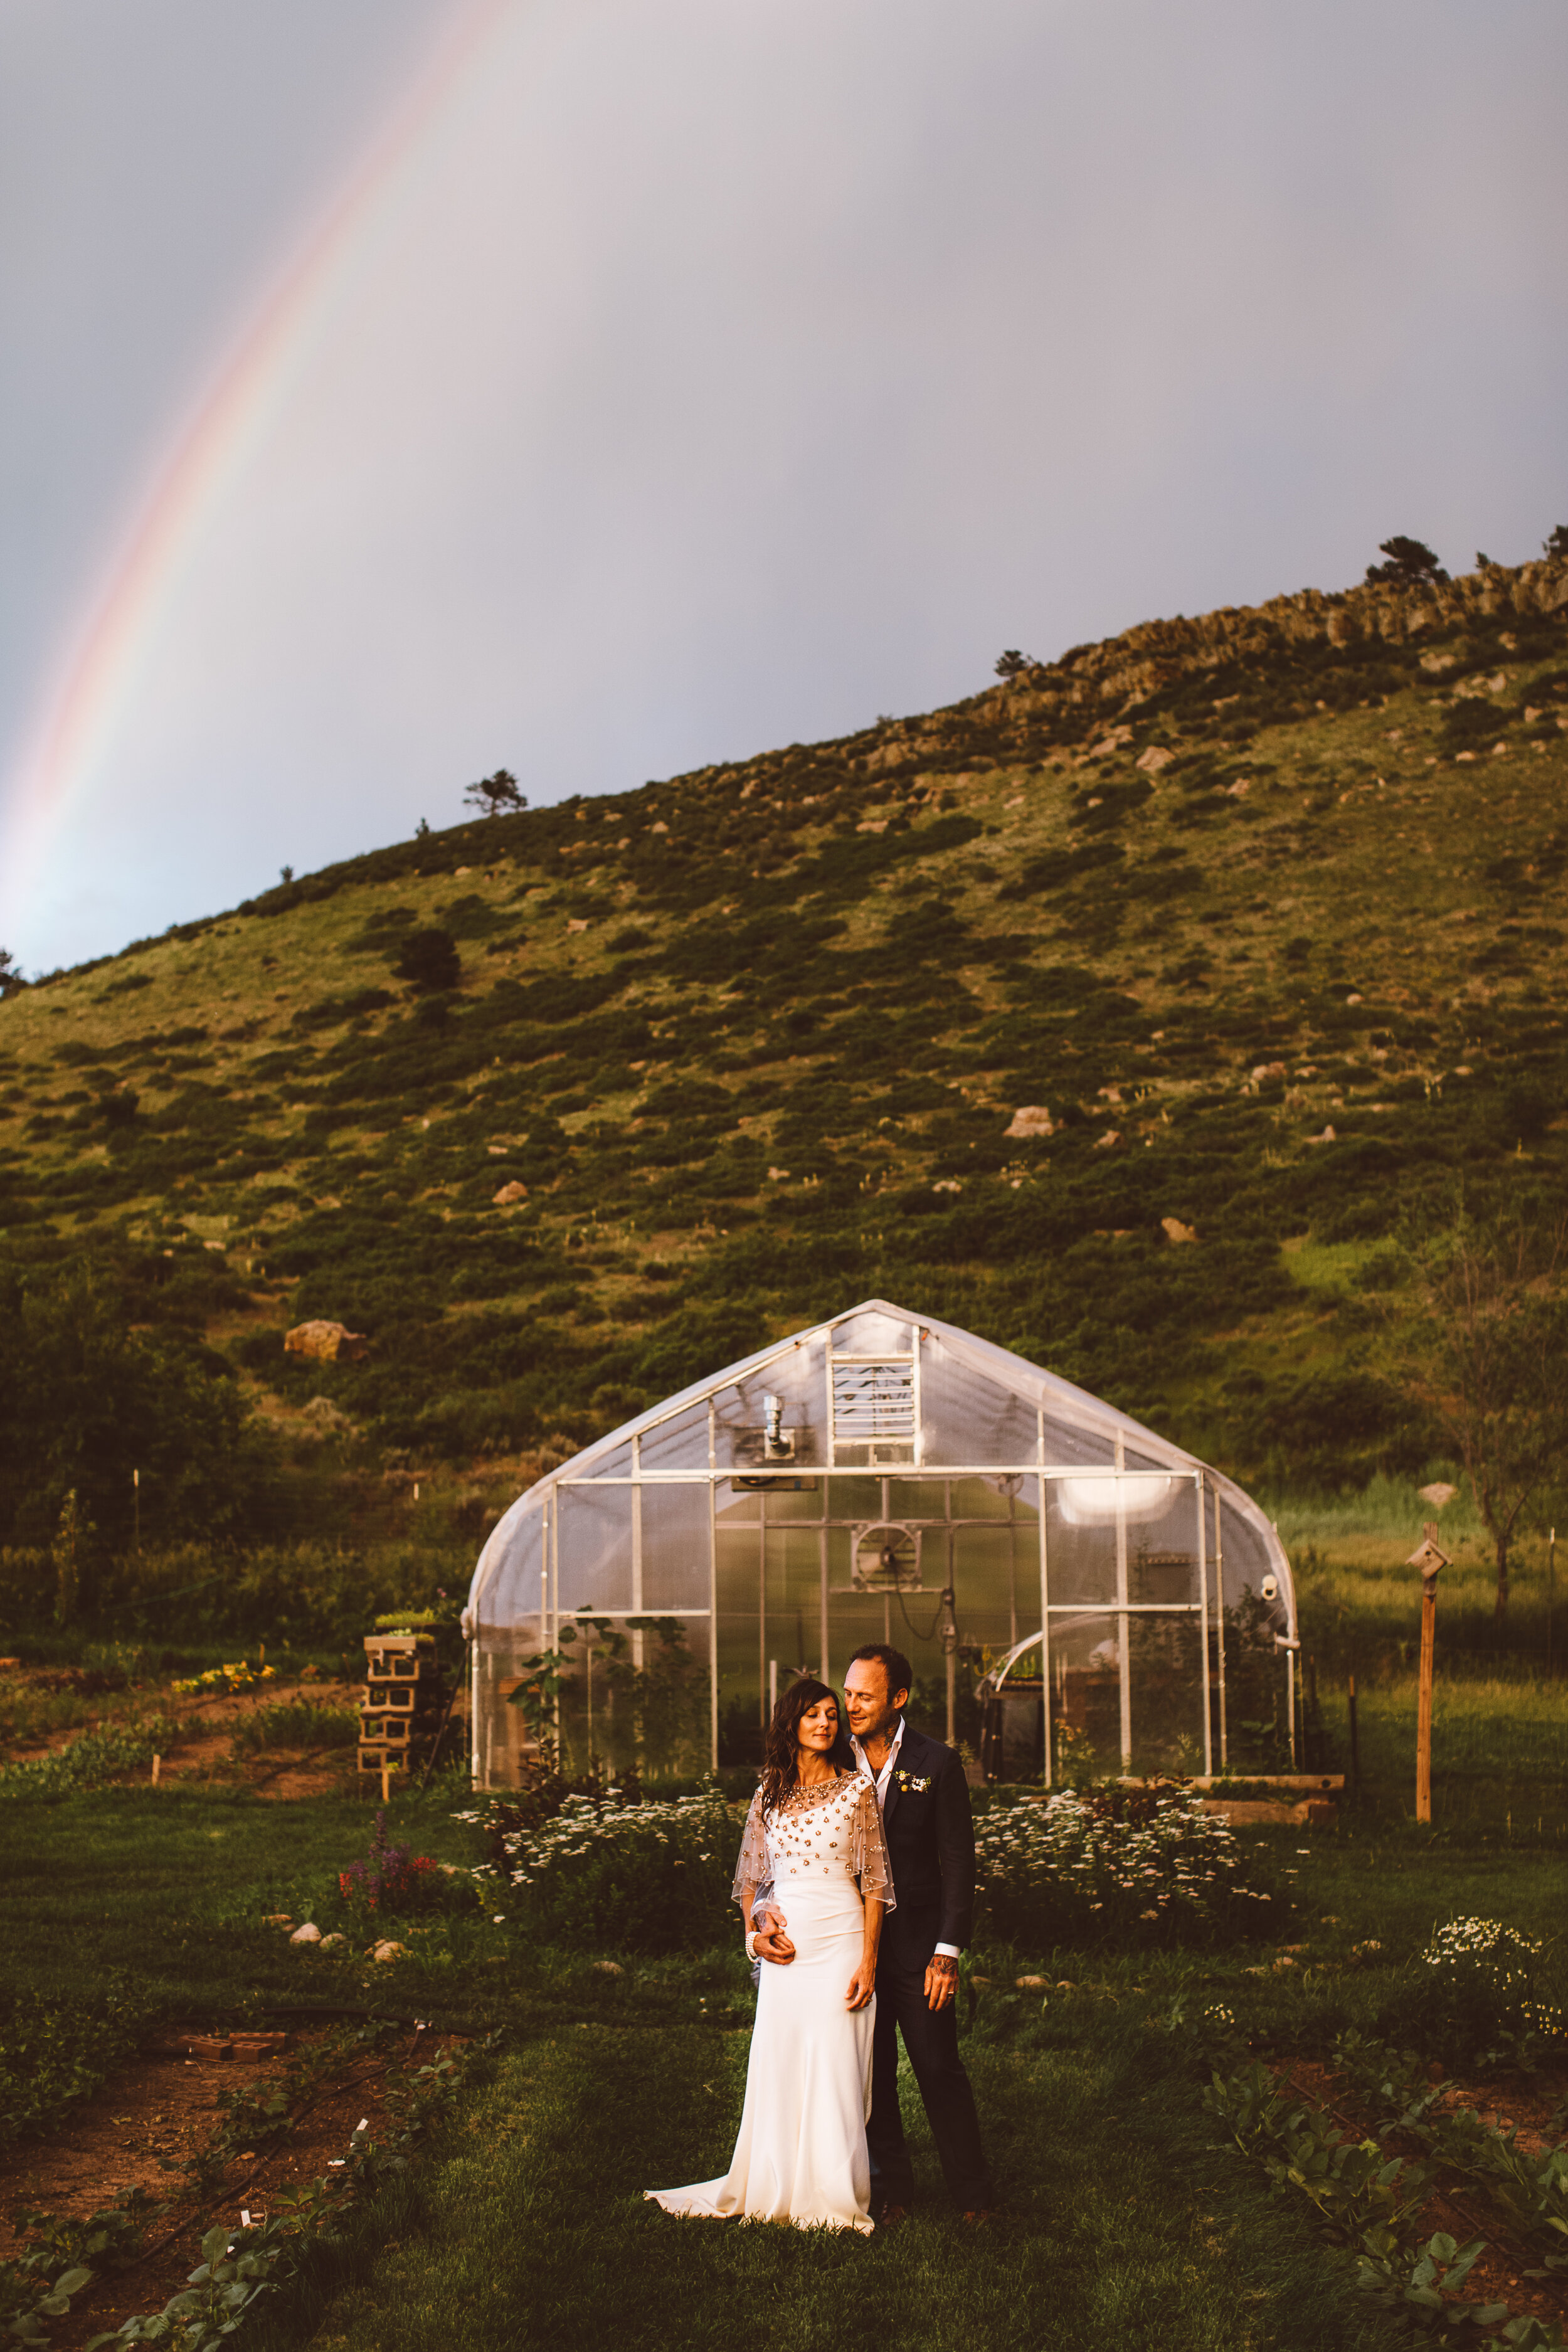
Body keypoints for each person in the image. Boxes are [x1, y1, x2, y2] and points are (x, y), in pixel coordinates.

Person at [644, 1678, 894, 2235]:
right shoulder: (768, 1795)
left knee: (834, 2066)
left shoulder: (858, 1792)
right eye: (813, 1714)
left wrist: (869, 1962)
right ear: (791, 1723)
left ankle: (832, 2194)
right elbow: (752, 1882)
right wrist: (756, 1931)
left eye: (833, 1714)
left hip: (841, 1941)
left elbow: (875, 1885)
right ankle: (774, 2182)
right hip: (786, 1953)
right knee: (781, 2063)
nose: (827, 1723)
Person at [842, 1642, 993, 2227]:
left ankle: (974, 2197)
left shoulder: (937, 1762)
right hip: (851, 1946)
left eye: (865, 1696)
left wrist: (947, 1953)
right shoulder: (831, 1757)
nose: (850, 1706)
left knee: (936, 2066)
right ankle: (890, 2192)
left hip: (919, 1950)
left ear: (898, 1699)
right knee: (870, 2072)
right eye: (848, 1693)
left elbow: (958, 1861)